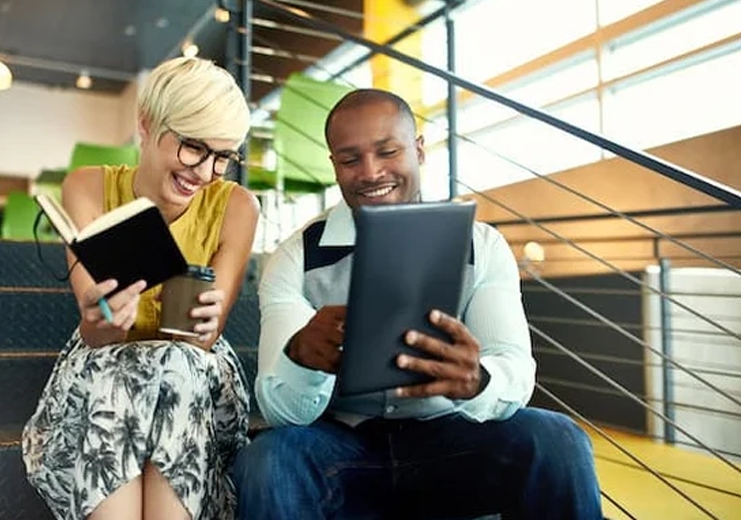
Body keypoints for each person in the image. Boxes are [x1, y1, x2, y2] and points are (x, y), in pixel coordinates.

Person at [232, 89, 602, 519]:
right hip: (341, 449)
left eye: (387, 151)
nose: (371, 172)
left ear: (419, 150)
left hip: (451, 441)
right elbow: (279, 410)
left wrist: (478, 380)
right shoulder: (296, 257)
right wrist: (300, 358)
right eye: (351, 160)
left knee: (557, 439)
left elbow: (516, 371)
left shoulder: (480, 246)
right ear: (334, 167)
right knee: (268, 458)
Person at [22, 57, 259, 520]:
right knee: (119, 370)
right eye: (193, 147)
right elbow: (95, 335)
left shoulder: (236, 206)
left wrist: (202, 318)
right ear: (147, 125)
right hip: (105, 367)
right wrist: (103, 319)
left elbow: (203, 341)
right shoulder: (88, 186)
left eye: (223, 157)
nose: (206, 172)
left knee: (176, 363)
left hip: (192, 374)